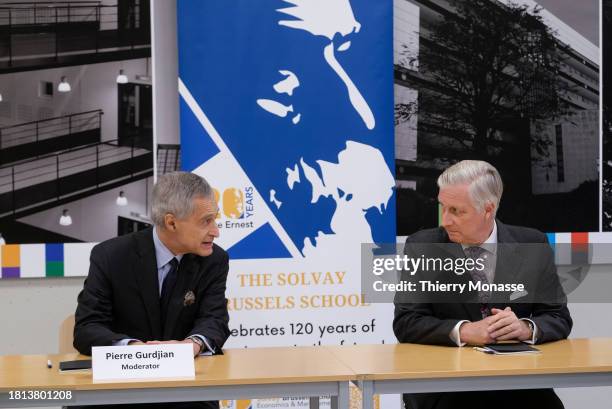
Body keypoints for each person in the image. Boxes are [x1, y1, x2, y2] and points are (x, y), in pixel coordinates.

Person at [393, 160, 572, 409]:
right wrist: (465, 331)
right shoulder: (423, 246)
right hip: (448, 387)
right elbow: (406, 322)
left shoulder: (531, 242)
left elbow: (557, 317)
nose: (445, 220)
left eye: (456, 211)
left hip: (519, 384)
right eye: (442, 207)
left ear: (488, 209)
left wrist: (525, 328)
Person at [74, 171, 230, 409]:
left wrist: (193, 345)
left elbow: (215, 319)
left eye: (215, 219)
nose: (216, 231)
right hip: (119, 391)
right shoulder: (110, 256)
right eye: (206, 221)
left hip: (186, 391)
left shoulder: (214, 260)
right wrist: (136, 350)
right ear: (171, 222)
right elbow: (87, 328)